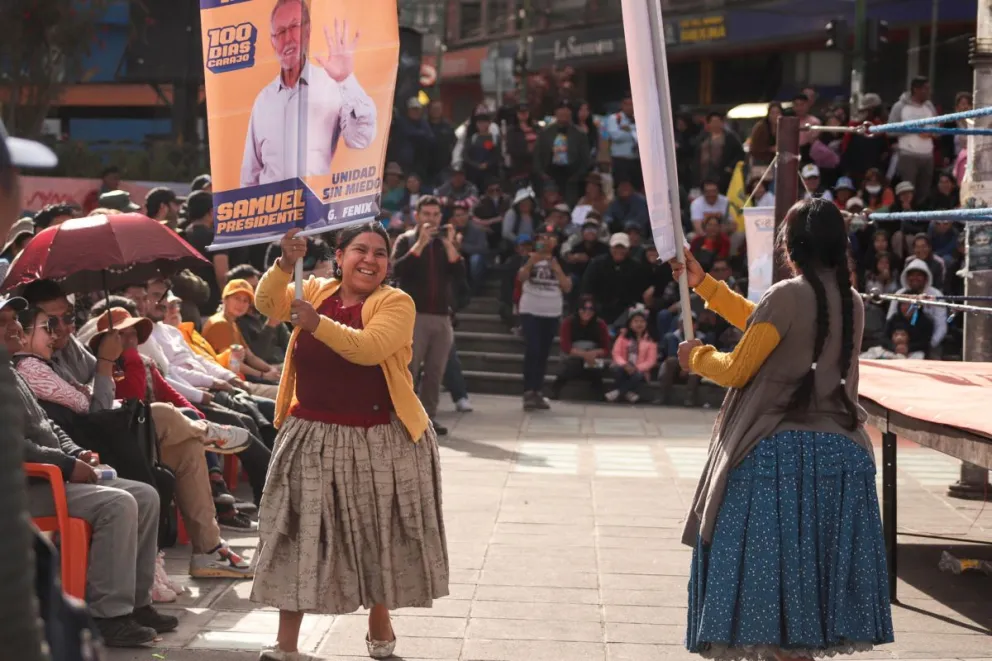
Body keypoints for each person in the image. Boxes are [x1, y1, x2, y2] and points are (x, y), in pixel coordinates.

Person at [674, 198, 893, 659]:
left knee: (765, 600)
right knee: (814, 593)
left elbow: (737, 368)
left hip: (775, 452)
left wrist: (696, 358)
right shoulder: (850, 302)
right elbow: (774, 327)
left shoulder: (787, 296)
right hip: (843, 458)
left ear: (790, 248)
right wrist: (707, 287)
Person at [252, 224, 448, 661]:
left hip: (378, 438)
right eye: (360, 249)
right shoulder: (314, 288)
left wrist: (316, 324)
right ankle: (285, 646)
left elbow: (368, 348)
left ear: (388, 265)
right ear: (338, 257)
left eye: (380, 253)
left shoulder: (397, 303)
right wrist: (286, 262)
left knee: (377, 534)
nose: (370, 259)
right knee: (299, 535)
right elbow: (266, 302)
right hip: (311, 435)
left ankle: (380, 624)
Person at [2, 302, 178, 647]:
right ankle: (109, 615)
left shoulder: (11, 371)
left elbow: (47, 426)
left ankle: (138, 603)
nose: (13, 328)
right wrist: (67, 465)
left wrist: (74, 452)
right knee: (118, 504)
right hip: (28, 486)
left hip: (52, 473)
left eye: (14, 321)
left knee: (146, 493)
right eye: (3, 322)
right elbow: (13, 445)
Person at [241, 0, 376, 185]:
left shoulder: (332, 86)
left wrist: (346, 80)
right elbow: (250, 175)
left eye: (294, 26)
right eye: (280, 32)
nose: (288, 38)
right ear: (273, 42)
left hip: (315, 209)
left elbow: (361, 139)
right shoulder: (263, 100)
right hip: (271, 211)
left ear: (307, 31)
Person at [391, 196, 464, 435]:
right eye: (426, 214)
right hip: (414, 316)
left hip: (442, 317)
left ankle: (428, 418)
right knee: (409, 369)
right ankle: (403, 417)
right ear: (417, 216)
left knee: (436, 371)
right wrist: (420, 244)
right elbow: (397, 270)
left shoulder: (445, 244)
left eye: (435, 215)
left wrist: (450, 244)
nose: (431, 219)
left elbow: (459, 274)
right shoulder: (406, 239)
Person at [517, 224, 572, 410]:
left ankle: (538, 391)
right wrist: (532, 262)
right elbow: (521, 277)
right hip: (530, 308)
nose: (546, 241)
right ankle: (528, 391)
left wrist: (556, 268)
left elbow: (567, 286)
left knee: (543, 352)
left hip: (551, 311)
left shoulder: (561, 261)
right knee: (532, 348)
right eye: (542, 237)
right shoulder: (528, 257)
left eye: (550, 237)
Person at [202, 279, 283, 382]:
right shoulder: (219, 323)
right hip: (226, 381)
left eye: (245, 301)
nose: (241, 304)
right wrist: (263, 375)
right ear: (225, 299)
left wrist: (270, 369)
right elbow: (232, 363)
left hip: (238, 377)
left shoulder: (232, 322)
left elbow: (250, 356)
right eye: (237, 298)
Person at [551, 294, 610, 399]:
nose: (587, 312)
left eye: (590, 309)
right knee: (572, 365)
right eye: (584, 309)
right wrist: (583, 354)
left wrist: (594, 353)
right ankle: (555, 390)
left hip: (593, 358)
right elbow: (566, 347)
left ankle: (599, 395)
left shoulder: (600, 324)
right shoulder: (568, 322)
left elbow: (606, 348)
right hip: (572, 358)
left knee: (597, 369)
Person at [890, 76, 937, 205]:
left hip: (928, 155)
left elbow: (938, 129)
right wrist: (915, 130)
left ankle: (921, 220)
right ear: (916, 89)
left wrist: (931, 133)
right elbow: (890, 130)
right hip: (907, 155)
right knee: (908, 191)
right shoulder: (900, 107)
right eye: (925, 89)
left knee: (924, 192)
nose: (929, 92)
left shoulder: (930, 107)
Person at [605, 304, 657, 404]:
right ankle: (628, 393)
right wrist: (625, 365)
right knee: (617, 370)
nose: (639, 324)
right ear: (630, 323)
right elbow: (616, 353)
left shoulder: (650, 340)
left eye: (642, 321)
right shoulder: (623, 337)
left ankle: (618, 392)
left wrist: (636, 368)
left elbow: (651, 361)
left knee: (637, 375)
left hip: (639, 370)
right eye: (636, 321)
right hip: (623, 366)